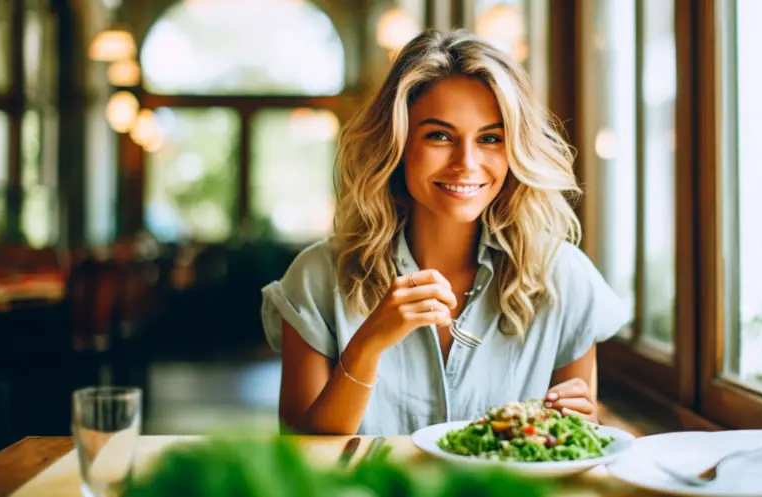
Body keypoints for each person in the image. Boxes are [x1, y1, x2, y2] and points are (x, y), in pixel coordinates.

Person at [261, 29, 630, 436]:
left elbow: (567, 445)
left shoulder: (563, 277)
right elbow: (301, 452)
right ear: (397, 144)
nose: (466, 163)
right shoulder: (317, 277)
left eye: (490, 138)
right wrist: (367, 347)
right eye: (439, 136)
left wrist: (582, 426)